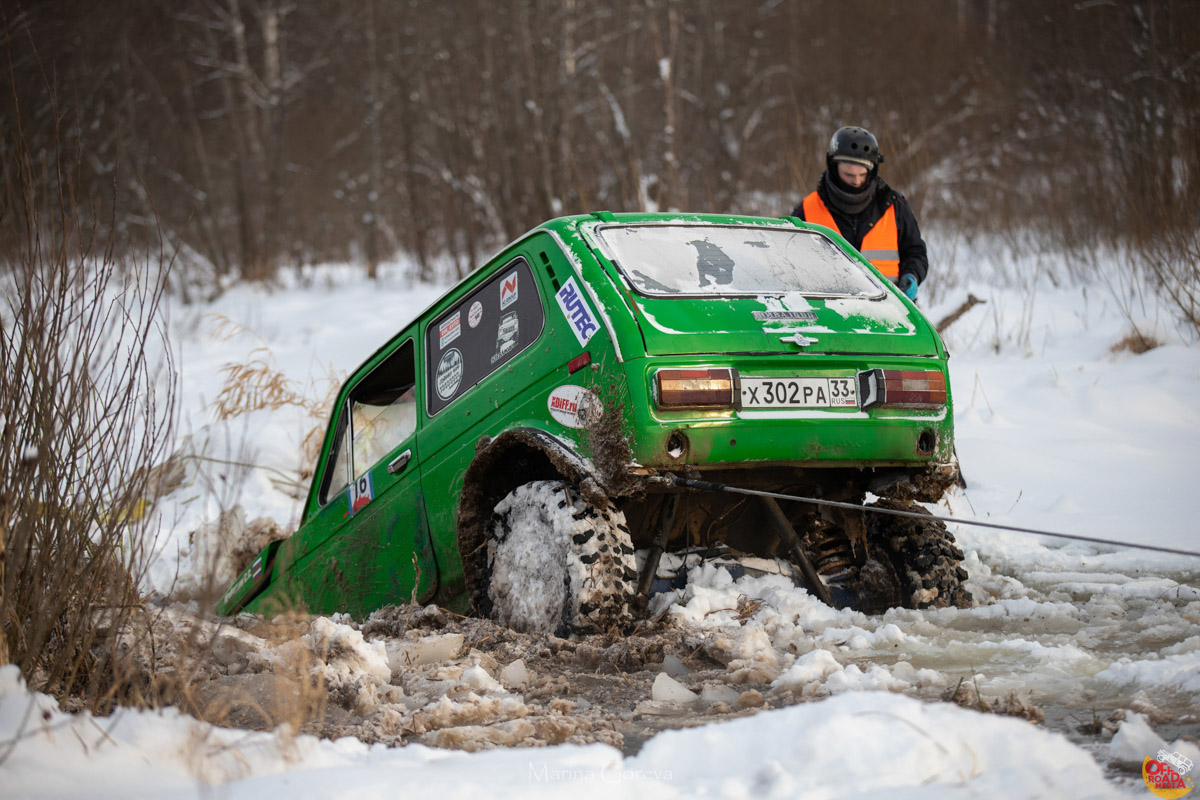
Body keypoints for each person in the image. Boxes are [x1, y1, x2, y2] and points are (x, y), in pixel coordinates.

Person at [791, 126, 927, 301]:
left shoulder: (894, 206)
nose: (856, 181)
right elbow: (789, 262)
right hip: (827, 312)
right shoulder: (807, 209)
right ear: (833, 167)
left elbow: (915, 251)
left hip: (890, 311)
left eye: (862, 175)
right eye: (848, 174)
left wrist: (912, 275)